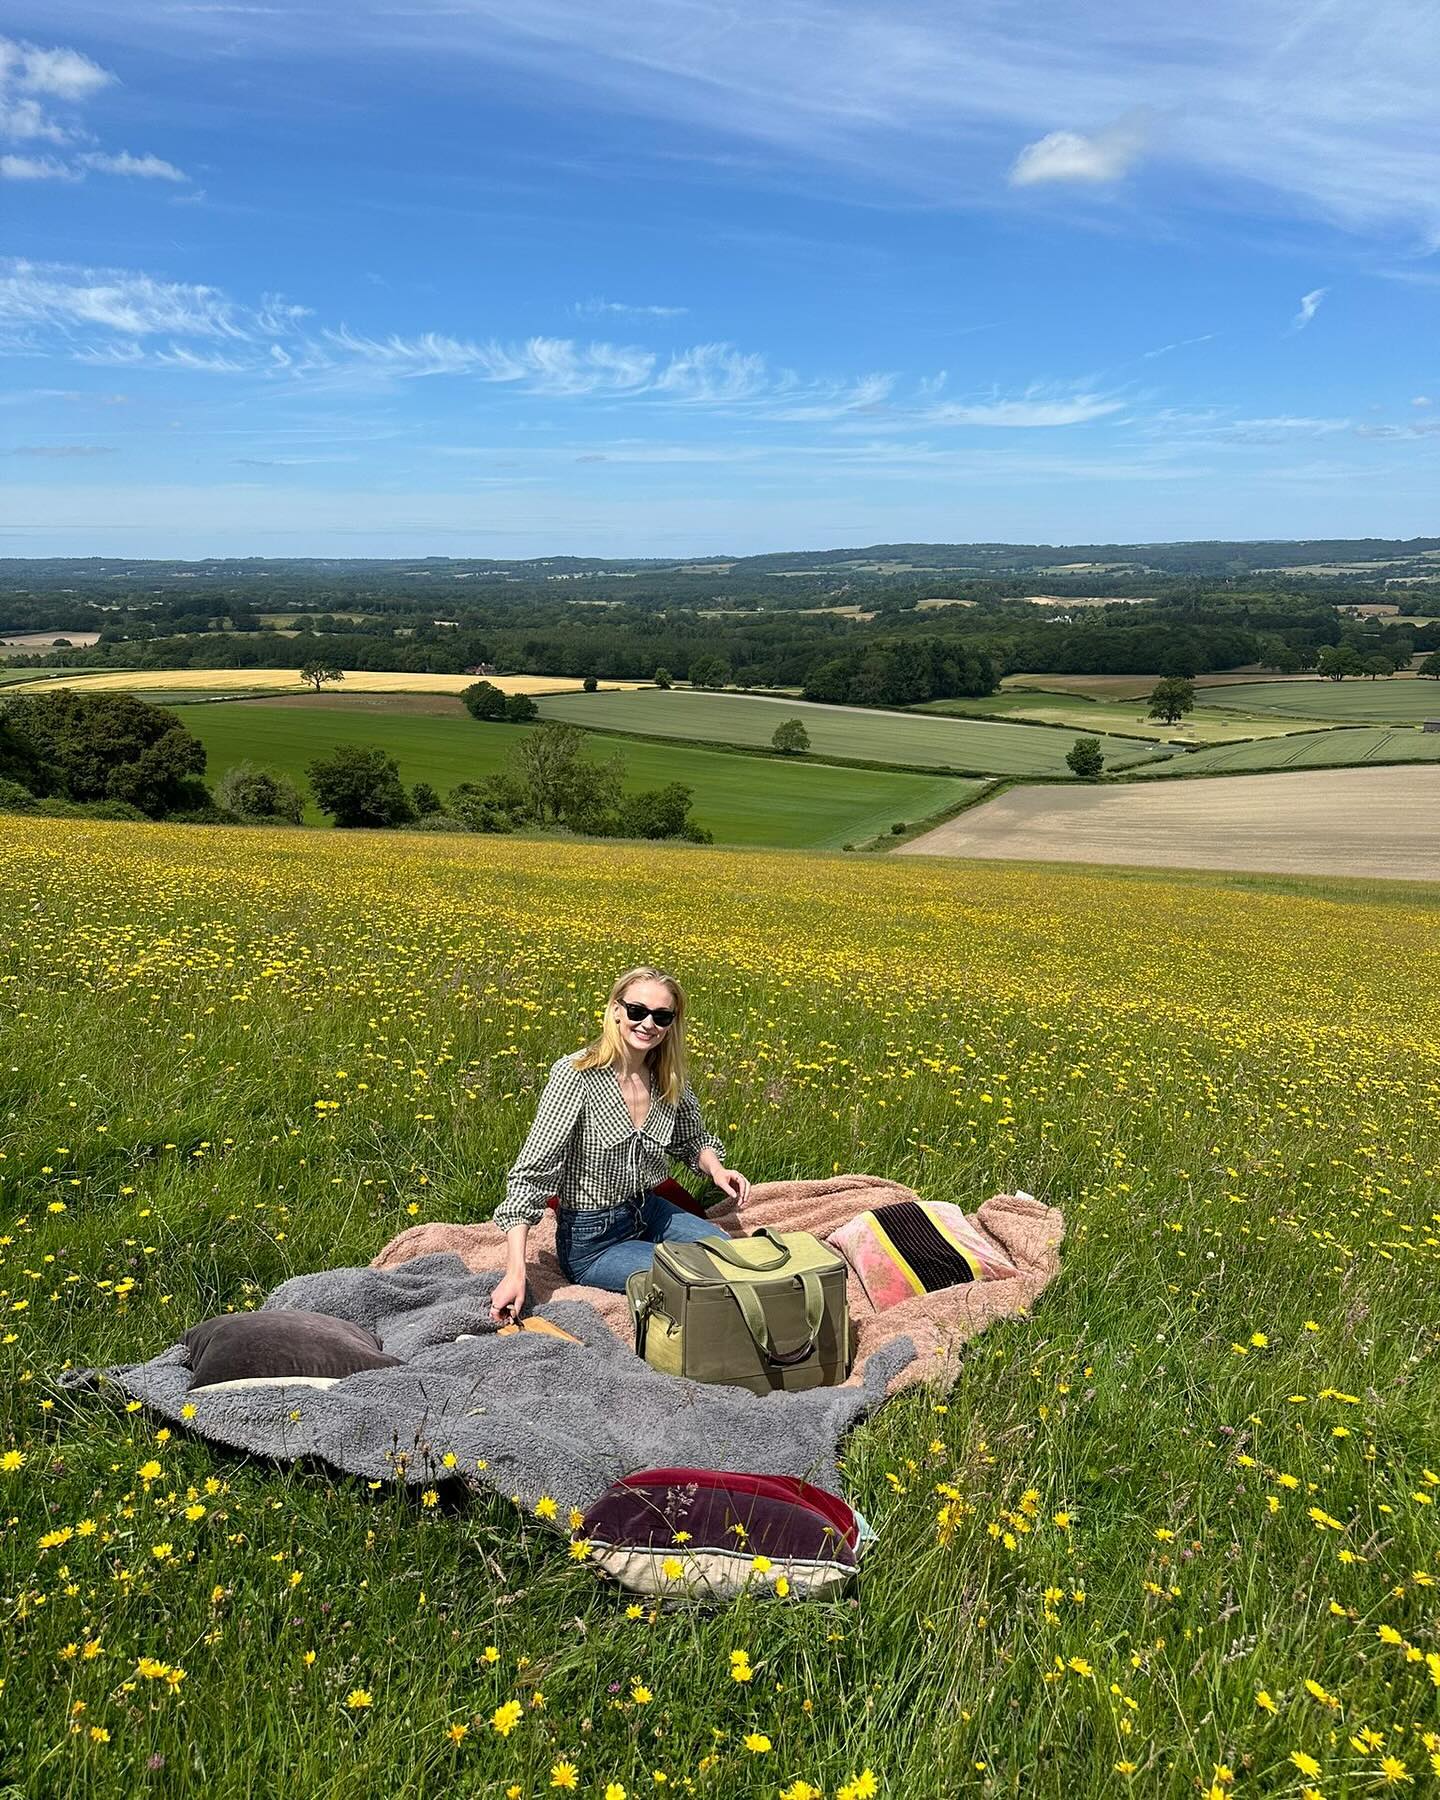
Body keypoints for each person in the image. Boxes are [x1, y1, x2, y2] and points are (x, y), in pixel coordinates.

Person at [490, 966, 750, 1320]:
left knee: (728, 1256)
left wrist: (716, 1169)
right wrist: (515, 1272)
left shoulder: (667, 1078)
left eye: (661, 1016)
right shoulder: (576, 1076)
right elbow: (531, 1176)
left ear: (672, 1022)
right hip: (593, 1239)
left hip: (650, 1210)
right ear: (615, 1009)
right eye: (637, 1011)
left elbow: (693, 1140)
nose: (648, 1024)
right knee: (691, 1280)